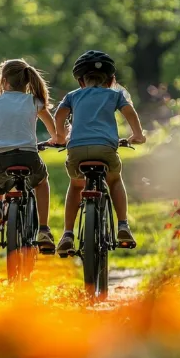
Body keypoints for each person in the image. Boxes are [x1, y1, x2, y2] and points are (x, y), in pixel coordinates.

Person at [53, 50, 145, 256]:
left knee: (76, 185)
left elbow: (59, 115)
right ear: (111, 80)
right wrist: (138, 134)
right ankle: (123, 225)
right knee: (115, 180)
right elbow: (129, 112)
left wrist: (60, 136)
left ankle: (67, 234)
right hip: (105, 149)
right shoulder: (115, 95)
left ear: (80, 81)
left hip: (76, 149)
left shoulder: (72, 96)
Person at [0, 58, 57, 250]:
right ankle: (44, 229)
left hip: (2, 158)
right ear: (28, 81)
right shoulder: (35, 101)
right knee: (41, 182)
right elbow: (53, 130)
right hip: (29, 156)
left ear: (4, 81)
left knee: (0, 176)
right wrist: (55, 139)